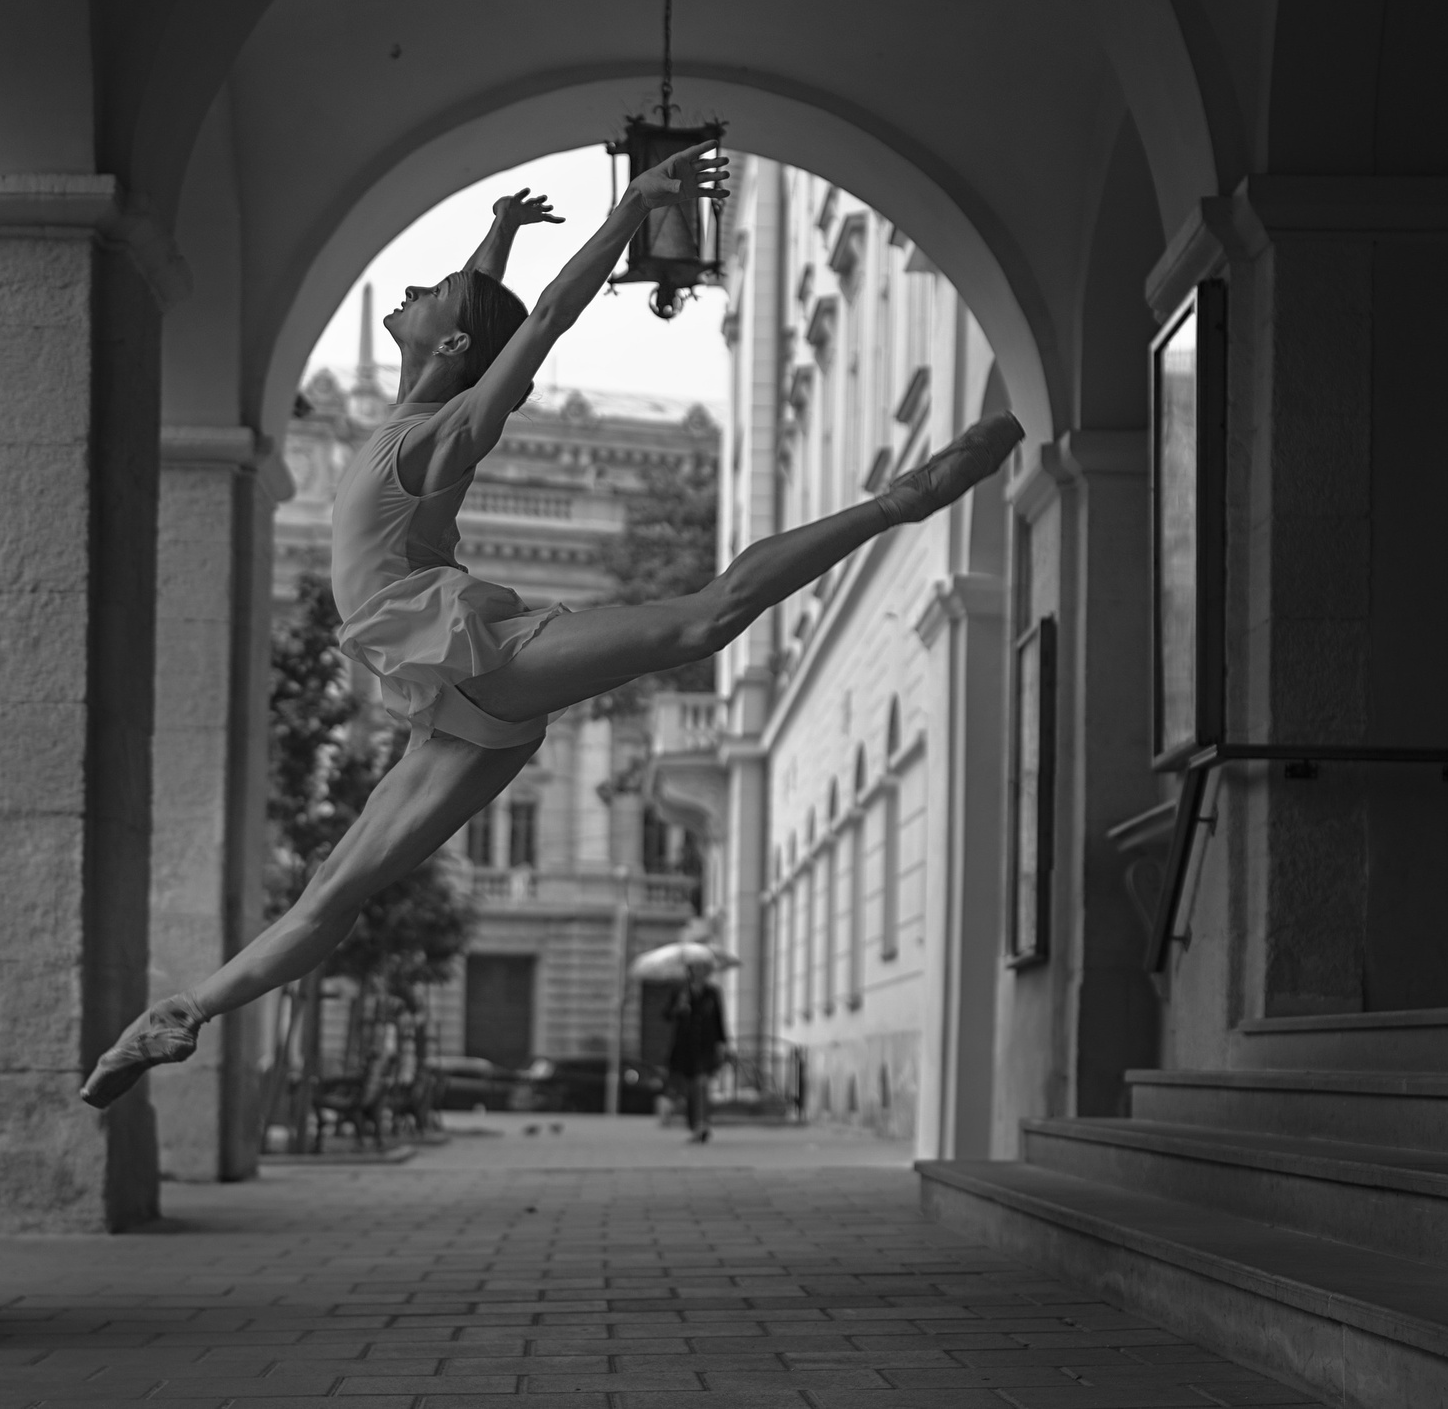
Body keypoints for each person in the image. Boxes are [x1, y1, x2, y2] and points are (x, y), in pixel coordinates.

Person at [82, 142, 1026, 1108]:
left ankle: (905, 497)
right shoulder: (415, 406)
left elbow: (539, 319)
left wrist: (628, 213)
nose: (418, 285)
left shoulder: (445, 430)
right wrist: (494, 238)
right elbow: (481, 313)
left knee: (702, 623)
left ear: (448, 350)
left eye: (436, 289)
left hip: (469, 655)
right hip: (450, 701)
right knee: (335, 890)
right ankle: (187, 1010)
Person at [663, 960, 728, 1142]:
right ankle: (695, 1125)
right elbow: (666, 1015)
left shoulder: (712, 993)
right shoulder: (681, 991)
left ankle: (702, 1124)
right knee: (691, 1088)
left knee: (702, 1084)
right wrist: (679, 1008)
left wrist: (722, 1043)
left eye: (703, 968)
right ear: (690, 971)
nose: (699, 972)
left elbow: (719, 1019)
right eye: (696, 968)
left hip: (706, 1046)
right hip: (686, 1047)